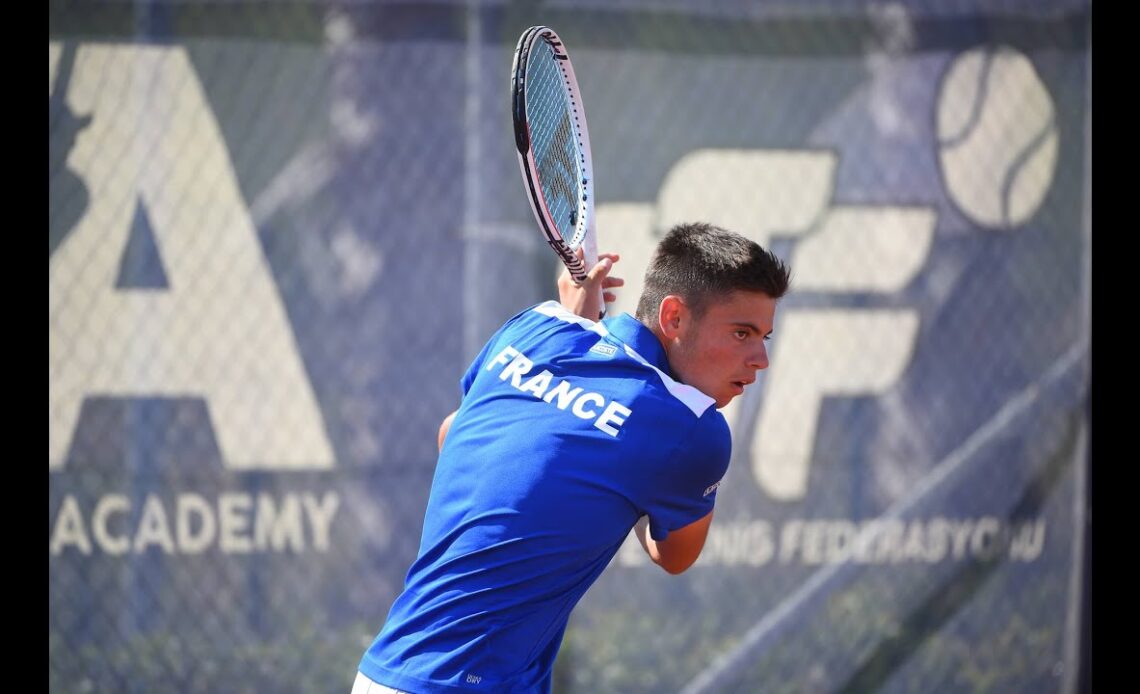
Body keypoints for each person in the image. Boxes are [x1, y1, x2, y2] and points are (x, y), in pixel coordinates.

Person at [353, 222, 791, 694]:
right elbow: (675, 554)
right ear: (674, 318)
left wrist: (573, 337)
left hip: (386, 668)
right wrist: (629, 467)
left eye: (763, 337)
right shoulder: (690, 430)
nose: (759, 360)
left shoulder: (534, 328)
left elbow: (452, 433)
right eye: (741, 333)